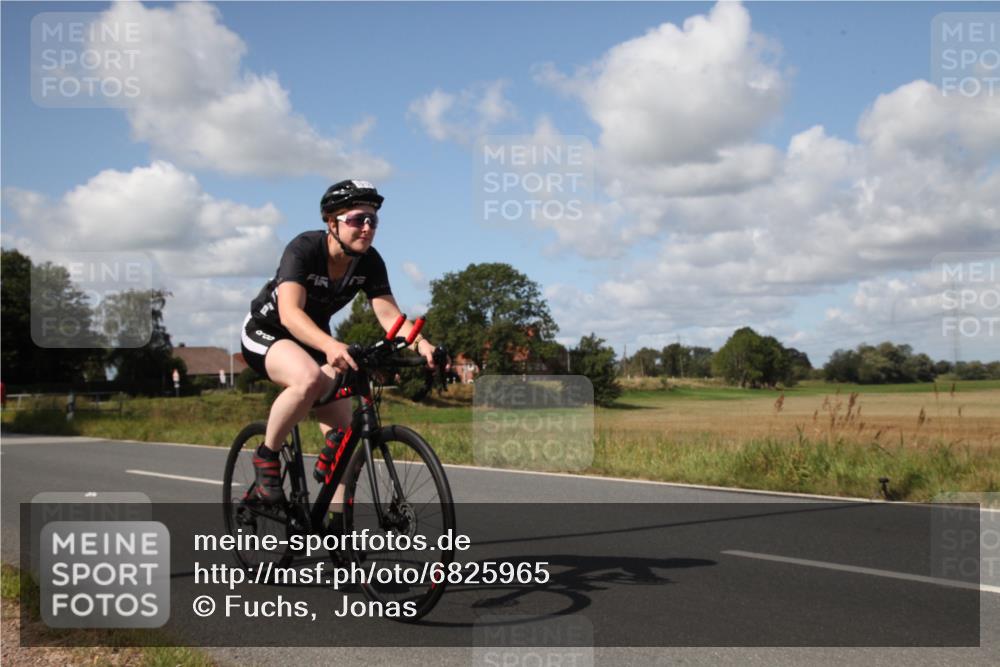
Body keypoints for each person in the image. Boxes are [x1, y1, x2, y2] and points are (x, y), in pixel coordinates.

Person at [240, 180, 444, 505]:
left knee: (346, 447)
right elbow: (291, 314)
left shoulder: (369, 261)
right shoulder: (304, 249)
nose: (366, 227)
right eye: (356, 219)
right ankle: (267, 455)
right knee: (307, 378)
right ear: (332, 222)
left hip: (314, 341)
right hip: (268, 332)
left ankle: (337, 536)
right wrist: (332, 346)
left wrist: (422, 345)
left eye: (372, 220)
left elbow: (390, 316)